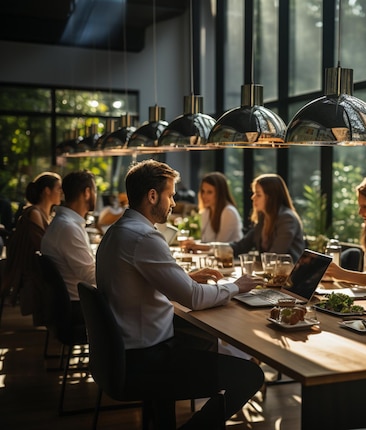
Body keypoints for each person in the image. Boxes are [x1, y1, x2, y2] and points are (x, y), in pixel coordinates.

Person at [95, 159, 264, 429]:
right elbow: (194, 299)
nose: (173, 202)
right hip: (147, 360)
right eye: (170, 195)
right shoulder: (144, 238)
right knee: (250, 375)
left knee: (205, 339)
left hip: (123, 353)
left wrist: (184, 278)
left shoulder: (117, 232)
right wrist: (237, 286)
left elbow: (143, 282)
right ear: (152, 196)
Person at [2, 172, 62, 325]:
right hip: (31, 270)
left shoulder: (44, 214)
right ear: (47, 191)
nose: (61, 192)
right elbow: (43, 246)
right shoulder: (34, 213)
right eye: (58, 188)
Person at [41, 170, 97, 324]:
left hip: (70, 304)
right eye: (95, 190)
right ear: (87, 192)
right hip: (78, 308)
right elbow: (91, 275)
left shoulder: (64, 223)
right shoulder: (68, 228)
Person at [230, 173, 305, 262]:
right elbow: (241, 246)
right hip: (270, 272)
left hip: (288, 273)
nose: (252, 197)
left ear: (271, 197)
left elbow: (276, 255)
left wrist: (252, 260)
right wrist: (214, 247)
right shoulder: (263, 218)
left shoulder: (287, 218)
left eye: (258, 194)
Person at [183, 172, 243, 251]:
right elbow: (206, 242)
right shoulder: (206, 212)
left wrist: (197, 246)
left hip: (232, 259)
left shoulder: (229, 212)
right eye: (203, 191)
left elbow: (220, 246)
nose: (204, 196)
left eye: (209, 192)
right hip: (214, 258)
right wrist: (193, 243)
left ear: (220, 194)